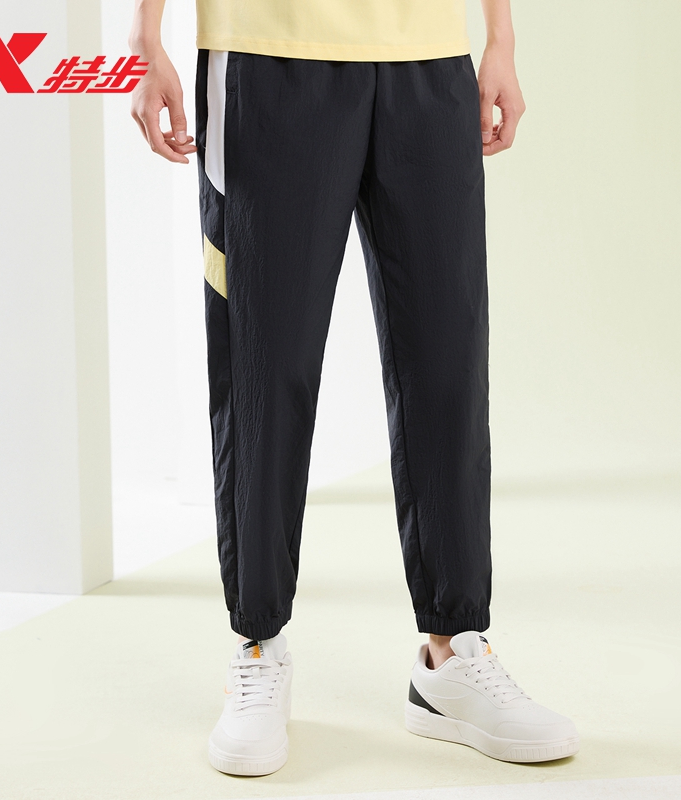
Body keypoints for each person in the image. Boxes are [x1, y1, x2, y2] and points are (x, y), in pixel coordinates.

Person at [129, 0, 579, 776]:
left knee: (447, 362)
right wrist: (145, 40)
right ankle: (258, 644)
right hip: (267, 51)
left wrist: (500, 38)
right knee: (265, 363)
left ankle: (451, 653)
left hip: (428, 57)